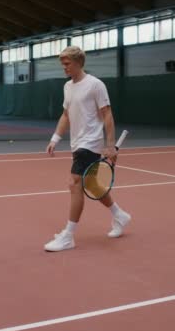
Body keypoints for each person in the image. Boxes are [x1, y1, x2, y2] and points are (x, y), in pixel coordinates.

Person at [44, 45, 131, 252]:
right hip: (77, 142)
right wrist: (55, 138)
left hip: (90, 143)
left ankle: (68, 236)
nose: (64, 68)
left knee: (74, 184)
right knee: (92, 184)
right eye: (62, 64)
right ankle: (120, 215)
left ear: (78, 63)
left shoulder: (95, 85)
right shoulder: (68, 87)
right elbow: (65, 115)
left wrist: (110, 146)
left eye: (67, 64)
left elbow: (107, 114)